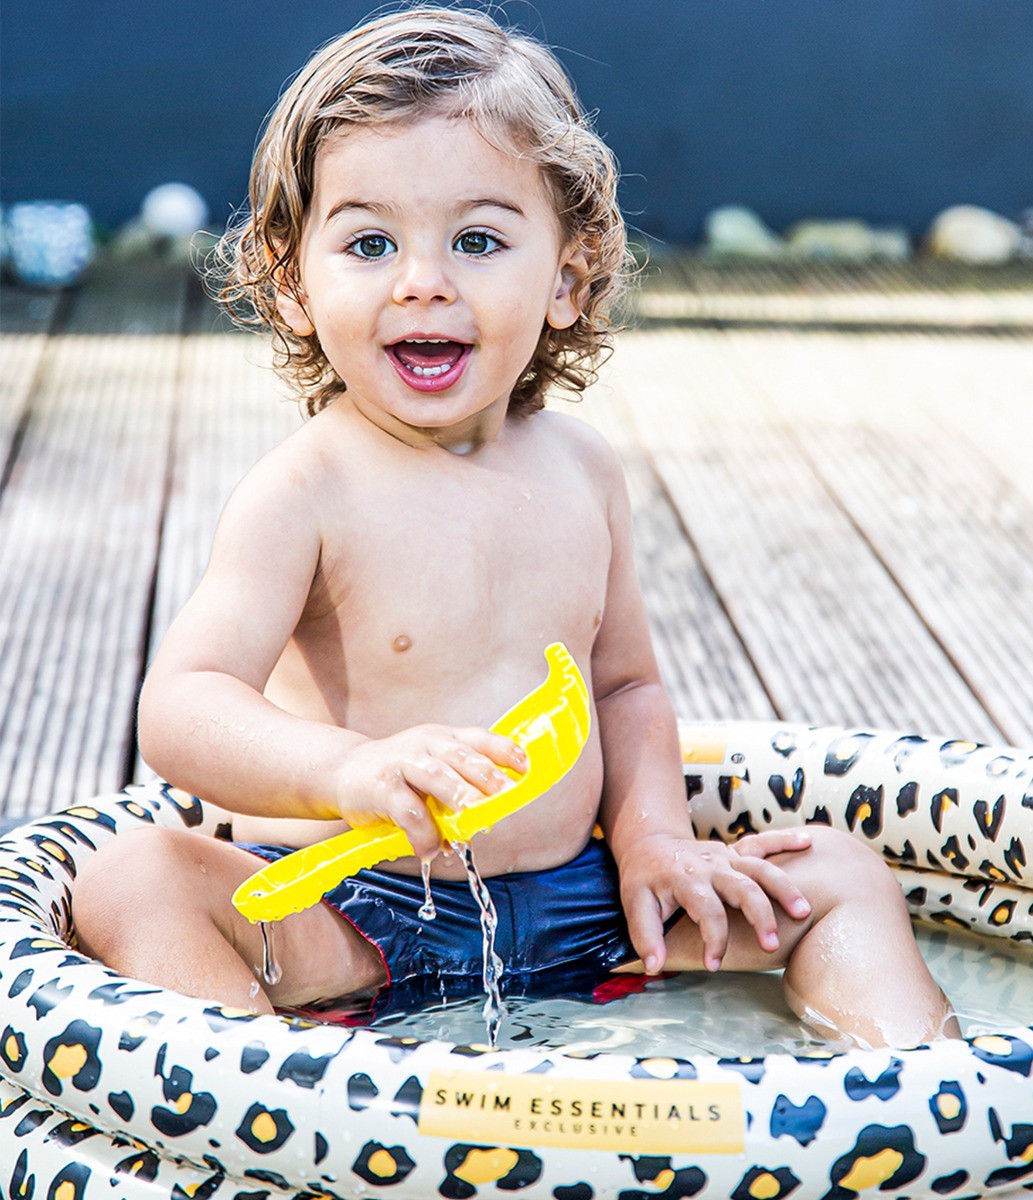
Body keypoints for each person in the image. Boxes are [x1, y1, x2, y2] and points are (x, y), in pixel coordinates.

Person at [72, 6, 956, 1048]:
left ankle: (919, 1102)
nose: (424, 280)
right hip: (350, 915)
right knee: (132, 878)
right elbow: (184, 705)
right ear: (292, 281)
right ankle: (263, 1101)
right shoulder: (306, 490)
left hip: (581, 907)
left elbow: (624, 686)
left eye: (479, 239)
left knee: (836, 873)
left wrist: (655, 842)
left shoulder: (584, 472)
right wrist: (347, 770)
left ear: (569, 277)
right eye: (368, 242)